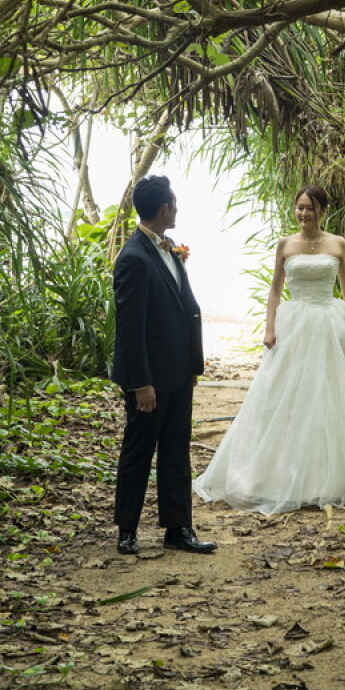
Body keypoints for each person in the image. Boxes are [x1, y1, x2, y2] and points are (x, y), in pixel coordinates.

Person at [193, 185, 345, 514]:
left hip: (329, 323)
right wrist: (270, 328)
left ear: (323, 211)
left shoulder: (337, 243)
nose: (303, 214)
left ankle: (332, 476)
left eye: (310, 208)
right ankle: (281, 473)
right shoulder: (285, 244)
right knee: (285, 395)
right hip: (294, 322)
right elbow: (274, 291)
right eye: (299, 207)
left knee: (331, 395)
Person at [112, 174, 217, 555]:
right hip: (149, 380)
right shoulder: (134, 257)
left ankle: (178, 528)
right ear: (164, 208)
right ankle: (127, 529)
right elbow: (129, 327)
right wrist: (141, 383)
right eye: (174, 202)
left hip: (177, 372)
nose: (177, 207)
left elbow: (183, 308)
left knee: (176, 450)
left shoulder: (168, 248)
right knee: (139, 452)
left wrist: (192, 364)